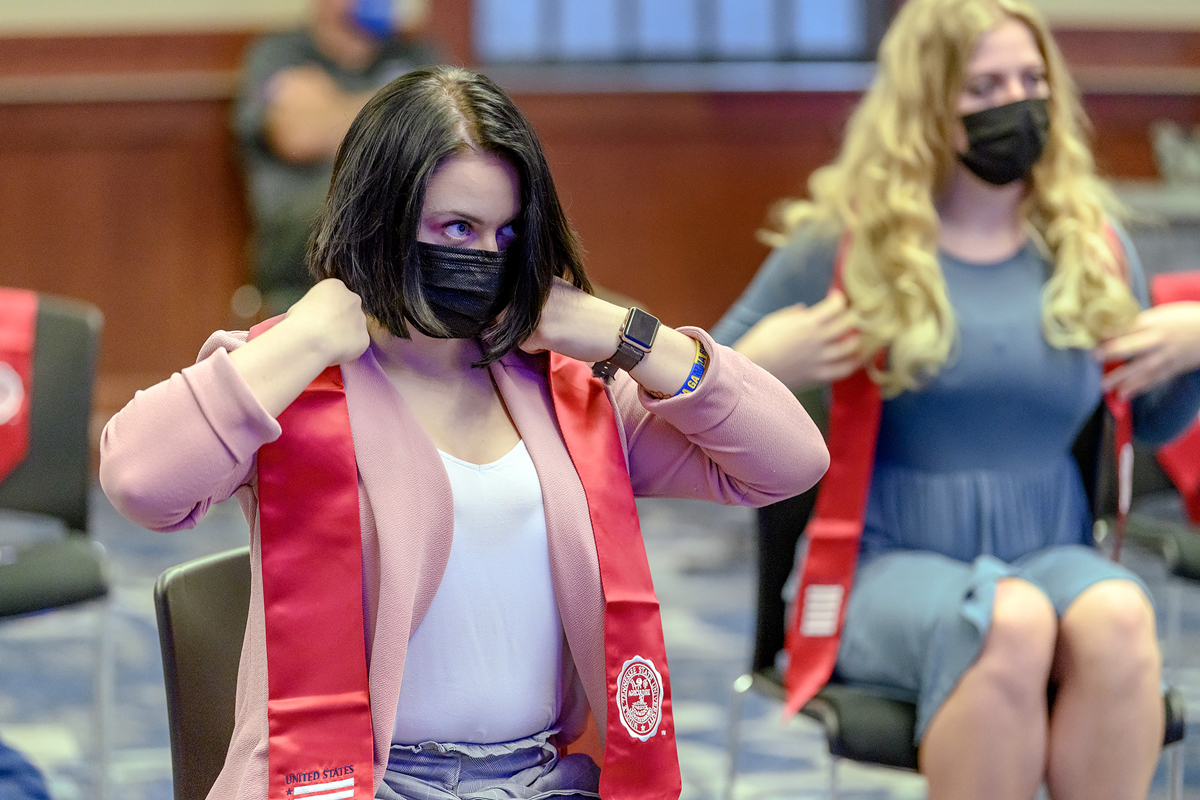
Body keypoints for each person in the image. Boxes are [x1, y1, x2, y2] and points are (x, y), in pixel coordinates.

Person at [102, 66, 828, 800]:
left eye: (507, 234)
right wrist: (301, 338)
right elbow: (140, 482)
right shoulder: (295, 381)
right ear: (381, 217)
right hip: (353, 782)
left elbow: (788, 461)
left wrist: (625, 333)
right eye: (456, 228)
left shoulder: (570, 394)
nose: (484, 256)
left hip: (546, 781)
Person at [711, 1, 1200, 799]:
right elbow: (688, 381)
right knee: (1008, 619)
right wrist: (768, 359)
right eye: (985, 86)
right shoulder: (845, 244)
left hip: (1053, 549)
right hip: (882, 563)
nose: (1018, 101)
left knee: (1119, 614)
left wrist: (1192, 350)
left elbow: (1144, 421)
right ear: (928, 106)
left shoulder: (1091, 245)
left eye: (1032, 79)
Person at [234, 0, 440, 316]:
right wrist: (404, 113)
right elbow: (299, 136)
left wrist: (328, 108)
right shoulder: (279, 55)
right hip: (301, 252)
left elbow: (446, 130)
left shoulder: (417, 55)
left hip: (405, 261)